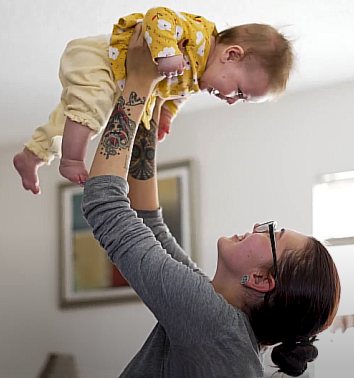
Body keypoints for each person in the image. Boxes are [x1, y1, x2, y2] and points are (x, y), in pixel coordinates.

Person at [81, 25, 340, 378]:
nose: (256, 228)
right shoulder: (222, 319)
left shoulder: (214, 324)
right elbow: (149, 222)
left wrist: (138, 84)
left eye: (271, 234)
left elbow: (105, 206)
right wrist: (153, 102)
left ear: (261, 280)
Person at [13, 6, 294, 194]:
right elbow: (158, 16)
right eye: (240, 92)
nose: (232, 101)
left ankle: (33, 155)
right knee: (90, 113)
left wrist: (167, 114)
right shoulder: (198, 36)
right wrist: (167, 51)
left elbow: (176, 95)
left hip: (115, 78)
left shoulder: (197, 79)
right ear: (231, 54)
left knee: (71, 118)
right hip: (97, 57)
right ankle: (72, 160)